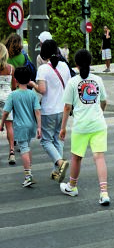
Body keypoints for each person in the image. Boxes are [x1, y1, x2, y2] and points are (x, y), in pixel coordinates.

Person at [58, 49, 110, 206]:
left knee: (76, 157)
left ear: (76, 65)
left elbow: (67, 107)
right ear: (91, 62)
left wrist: (63, 128)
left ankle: (72, 186)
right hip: (98, 124)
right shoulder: (98, 79)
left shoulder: (73, 82)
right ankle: (104, 193)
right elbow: (104, 101)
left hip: (81, 126)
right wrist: (99, 112)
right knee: (99, 158)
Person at [29, 39, 71, 183]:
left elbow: (42, 90)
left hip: (49, 109)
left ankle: (60, 163)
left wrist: (32, 83)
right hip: (63, 109)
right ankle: (57, 170)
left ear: (43, 52)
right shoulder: (65, 66)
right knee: (58, 138)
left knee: (46, 141)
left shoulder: (43, 69)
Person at [0, 66, 41, 187]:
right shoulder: (32, 94)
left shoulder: (13, 95)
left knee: (23, 148)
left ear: (16, 79)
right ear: (29, 80)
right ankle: (30, 169)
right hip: (31, 125)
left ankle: (28, 176)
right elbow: (37, 112)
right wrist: (39, 127)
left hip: (20, 126)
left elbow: (6, 112)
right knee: (27, 147)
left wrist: (2, 124)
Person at [0, 43, 17, 165]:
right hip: (7, 98)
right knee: (9, 126)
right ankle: (11, 152)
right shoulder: (11, 68)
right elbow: (14, 86)